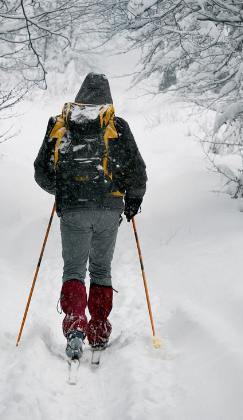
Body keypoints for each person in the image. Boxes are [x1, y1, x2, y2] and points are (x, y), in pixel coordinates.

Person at [34, 73, 147, 359]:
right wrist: (132, 201)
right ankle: (98, 329)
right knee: (100, 269)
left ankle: (74, 327)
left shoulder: (61, 125)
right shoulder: (117, 126)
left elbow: (41, 171)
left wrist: (62, 190)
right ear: (108, 99)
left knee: (73, 270)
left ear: (80, 95)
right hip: (110, 209)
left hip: (73, 210)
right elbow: (137, 171)